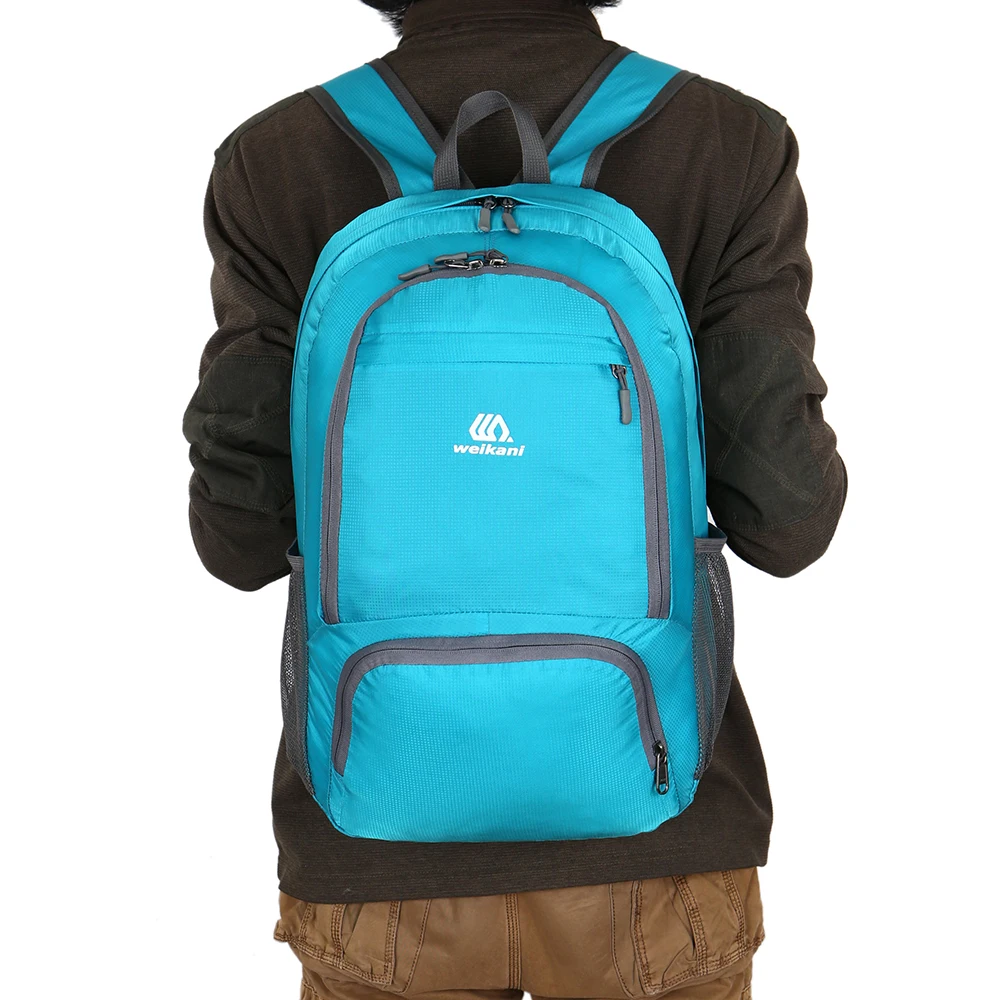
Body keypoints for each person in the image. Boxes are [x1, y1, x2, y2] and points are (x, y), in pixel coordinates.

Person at [183, 1, 847, 997]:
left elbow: (236, 539)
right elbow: (787, 520)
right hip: (655, 841)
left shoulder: (275, 158)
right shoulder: (726, 143)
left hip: (377, 841)